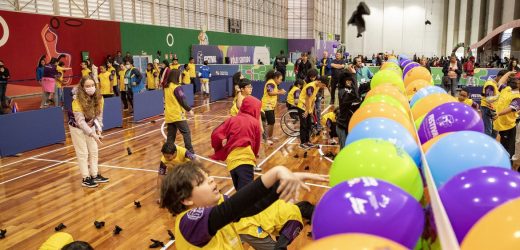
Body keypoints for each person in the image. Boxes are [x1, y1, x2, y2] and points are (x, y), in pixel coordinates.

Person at [159, 161, 326, 249]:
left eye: (208, 175)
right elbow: (231, 209)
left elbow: (252, 207)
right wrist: (274, 173)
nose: (211, 179)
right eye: (201, 181)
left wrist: (280, 185)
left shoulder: (219, 204)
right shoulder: (188, 222)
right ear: (187, 200)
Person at [211, 96, 263, 190]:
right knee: (245, 196)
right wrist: (254, 155)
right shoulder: (255, 123)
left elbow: (215, 134)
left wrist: (218, 149)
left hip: (231, 161)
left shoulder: (231, 120)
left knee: (239, 192)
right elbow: (257, 143)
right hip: (246, 160)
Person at [68, 76, 109, 188]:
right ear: (82, 87)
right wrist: (92, 134)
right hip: (77, 127)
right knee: (83, 153)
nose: (90, 88)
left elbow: (99, 115)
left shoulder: (100, 98)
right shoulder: (76, 100)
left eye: (92, 85)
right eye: (87, 86)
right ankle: (86, 177)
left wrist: (99, 130)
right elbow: (80, 122)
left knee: (94, 150)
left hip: (90, 124)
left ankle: (94, 175)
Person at [235, 200, 314, 250]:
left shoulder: (289, 205)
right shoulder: (297, 220)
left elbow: (280, 238)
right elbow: (280, 246)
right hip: (250, 227)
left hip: (240, 218)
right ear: (307, 219)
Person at [164, 69, 195, 153]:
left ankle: (168, 152)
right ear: (176, 76)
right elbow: (182, 101)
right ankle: (190, 152)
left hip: (169, 115)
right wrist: (189, 109)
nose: (181, 76)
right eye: (180, 75)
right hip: (177, 115)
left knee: (171, 136)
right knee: (186, 132)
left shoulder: (166, 86)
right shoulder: (177, 87)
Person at [493, 74, 520, 161]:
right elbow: (500, 82)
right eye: (511, 81)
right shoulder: (506, 89)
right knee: (503, 144)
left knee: (510, 148)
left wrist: (499, 113)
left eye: (515, 82)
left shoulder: (518, 97)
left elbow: (511, 108)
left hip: (509, 126)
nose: (512, 82)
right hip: (500, 124)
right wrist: (508, 73)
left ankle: (509, 164)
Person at [297, 74, 327, 149]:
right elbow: (307, 99)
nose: (323, 87)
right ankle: (302, 143)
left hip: (308, 107)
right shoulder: (311, 87)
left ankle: (307, 141)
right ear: (319, 81)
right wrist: (307, 110)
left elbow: (313, 99)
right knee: (303, 125)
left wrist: (311, 110)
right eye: (323, 85)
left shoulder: (317, 86)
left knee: (309, 125)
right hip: (302, 107)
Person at [481, 70, 508, 138]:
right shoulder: (490, 84)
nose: (506, 81)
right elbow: (489, 99)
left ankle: (492, 145)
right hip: (487, 108)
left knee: (495, 129)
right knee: (488, 130)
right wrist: (500, 96)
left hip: (494, 109)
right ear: (500, 77)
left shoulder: (498, 84)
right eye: (505, 79)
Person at [336, 71, 360, 149]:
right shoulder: (342, 92)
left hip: (349, 125)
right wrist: (353, 76)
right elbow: (356, 96)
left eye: (350, 80)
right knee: (344, 149)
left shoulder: (348, 90)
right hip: (342, 126)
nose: (350, 82)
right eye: (348, 80)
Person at [261, 70, 286, 142]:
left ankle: (269, 137)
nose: (281, 81)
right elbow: (270, 92)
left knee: (270, 122)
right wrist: (280, 92)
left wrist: (279, 90)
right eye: (280, 79)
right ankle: (267, 139)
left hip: (270, 105)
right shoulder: (271, 83)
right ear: (275, 78)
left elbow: (274, 91)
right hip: (266, 105)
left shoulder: (273, 83)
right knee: (270, 122)